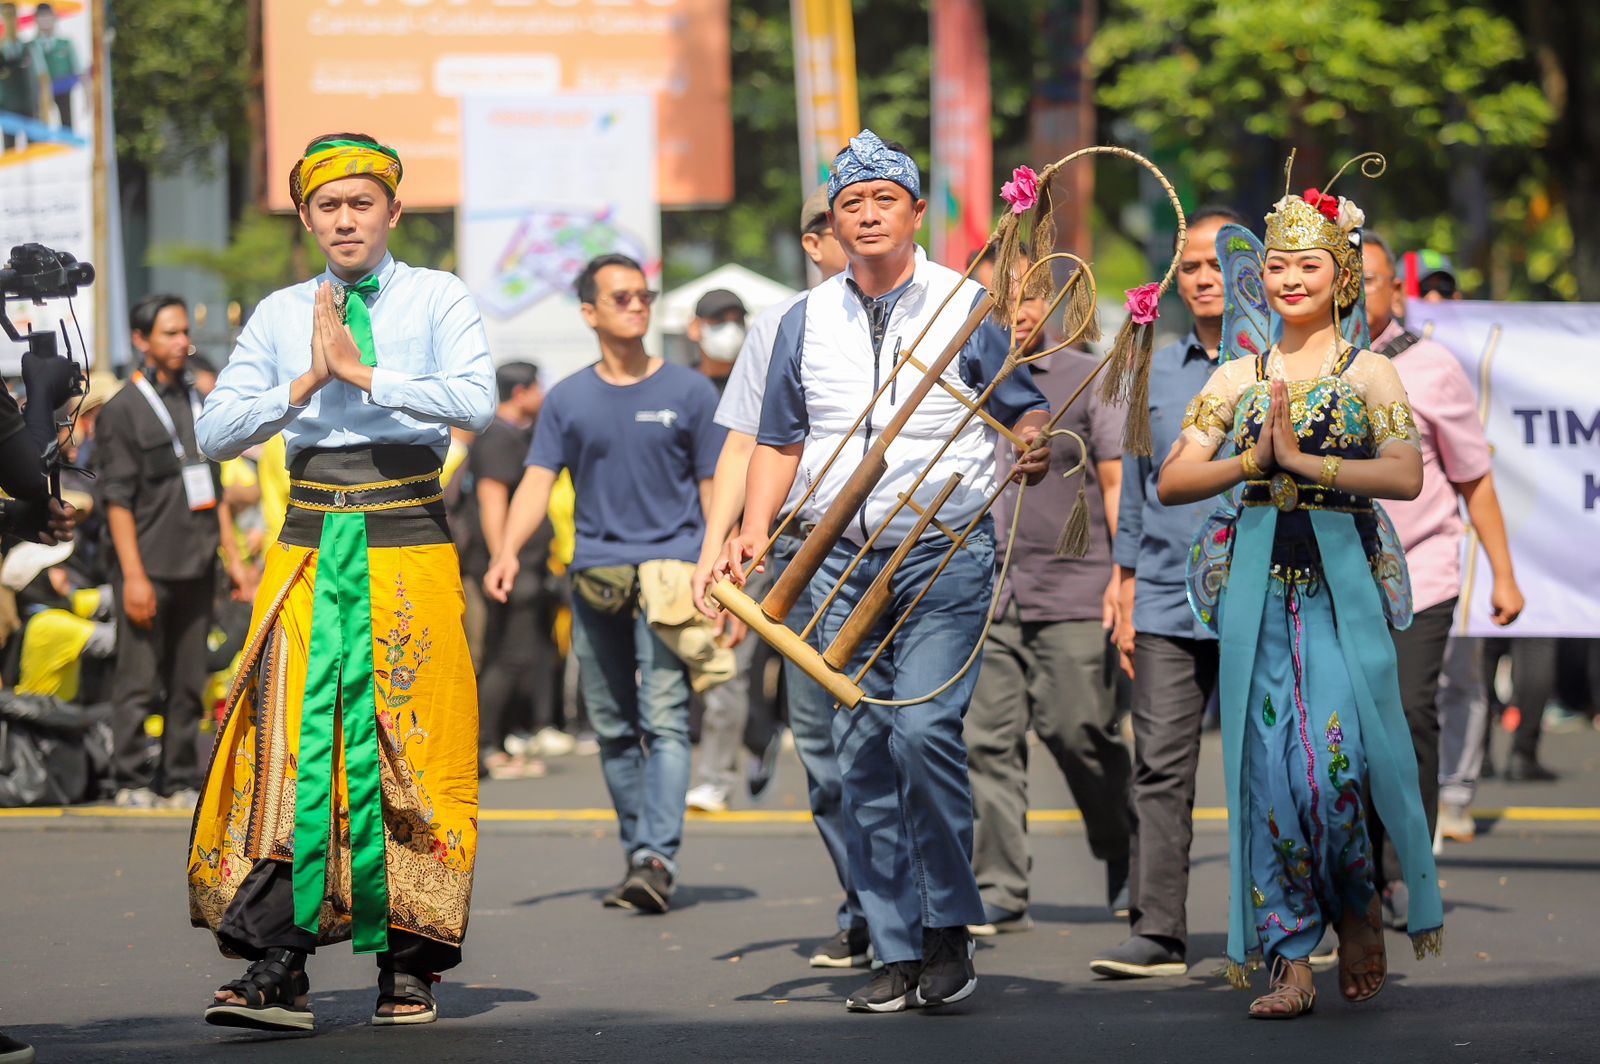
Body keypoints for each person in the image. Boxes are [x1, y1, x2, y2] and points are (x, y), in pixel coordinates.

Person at [713, 130, 1051, 1013]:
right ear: (833, 220)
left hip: (943, 547)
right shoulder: (802, 317)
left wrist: (1032, 442)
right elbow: (779, 438)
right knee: (858, 753)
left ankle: (948, 931)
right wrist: (756, 532)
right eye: (849, 204)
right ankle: (897, 947)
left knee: (925, 728)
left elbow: (1022, 407)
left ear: (913, 212)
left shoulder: (963, 304)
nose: (864, 215)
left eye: (882, 201)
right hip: (835, 556)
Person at [188, 132, 494, 1032]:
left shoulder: (439, 296)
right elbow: (213, 434)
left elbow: (475, 401)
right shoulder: (282, 311)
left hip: (408, 541)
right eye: (329, 206)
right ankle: (280, 960)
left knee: (411, 746)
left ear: (394, 212)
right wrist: (305, 382)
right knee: (293, 747)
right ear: (307, 218)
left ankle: (410, 965)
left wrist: (366, 374)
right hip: (310, 543)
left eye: (363, 203)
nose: (347, 219)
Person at [1157, 171, 1443, 1018]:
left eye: (1309, 267)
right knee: (1266, 776)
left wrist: (1306, 463)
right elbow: (1173, 479)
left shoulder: (1370, 374)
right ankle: (1289, 955)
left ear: (1340, 276)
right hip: (1255, 588)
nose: (1290, 280)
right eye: (1277, 266)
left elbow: (1405, 473)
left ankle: (1357, 909)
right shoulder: (1235, 375)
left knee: (1336, 769)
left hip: (1339, 587)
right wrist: (1250, 463)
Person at [486, 253, 724, 915]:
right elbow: (538, 479)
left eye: (643, 294)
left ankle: (657, 857)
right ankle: (637, 851)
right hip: (594, 576)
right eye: (620, 297)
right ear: (589, 312)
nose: (636, 304)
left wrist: (720, 569)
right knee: (616, 728)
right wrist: (506, 549)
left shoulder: (690, 392)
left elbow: (713, 490)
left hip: (673, 573)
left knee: (667, 720)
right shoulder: (567, 398)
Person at [690, 183, 871, 967]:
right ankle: (867, 907)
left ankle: (929, 910)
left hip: (904, 549)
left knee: (907, 739)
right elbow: (739, 447)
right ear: (815, 238)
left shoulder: (934, 304)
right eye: (845, 220)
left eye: (882, 211)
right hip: (802, 556)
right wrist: (718, 549)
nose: (864, 231)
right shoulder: (780, 326)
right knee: (827, 753)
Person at [1091, 205, 1243, 980]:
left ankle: (1288, 922)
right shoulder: (1151, 361)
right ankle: (1157, 930)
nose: (1205, 275)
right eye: (1190, 266)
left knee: (1270, 764)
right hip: (1164, 596)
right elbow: (1140, 489)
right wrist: (1124, 583)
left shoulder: (1284, 360)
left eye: (1220, 261)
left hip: (1263, 594)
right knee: (1158, 764)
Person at [964, 250, 1132, 935]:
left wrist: (1127, 581)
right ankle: (999, 884)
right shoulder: (959, 377)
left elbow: (1118, 484)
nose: (1016, 309)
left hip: (1072, 586)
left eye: (1029, 295)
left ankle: (1126, 843)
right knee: (984, 741)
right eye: (998, 298)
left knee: (1076, 729)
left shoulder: (1090, 376)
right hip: (982, 591)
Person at [1362, 231, 1523, 911]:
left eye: (1366, 279)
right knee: (1344, 729)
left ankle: (1403, 870)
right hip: (1326, 575)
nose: (1351, 290)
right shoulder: (1298, 364)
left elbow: (1473, 477)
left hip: (1417, 574)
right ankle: (1353, 875)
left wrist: (1505, 577)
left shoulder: (1430, 367)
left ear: (1396, 291)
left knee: (1406, 714)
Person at [94, 294, 235, 810]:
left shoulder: (198, 400)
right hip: (147, 566)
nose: (183, 343)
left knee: (188, 678)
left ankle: (178, 776)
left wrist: (233, 560)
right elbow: (117, 502)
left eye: (184, 333)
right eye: (170, 334)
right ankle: (129, 776)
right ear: (140, 341)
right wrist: (132, 575)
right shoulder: (123, 412)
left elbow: (213, 491)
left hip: (197, 563)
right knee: (137, 678)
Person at [682, 286, 775, 812]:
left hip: (752, 541)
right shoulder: (682, 386)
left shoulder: (765, 379)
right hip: (692, 545)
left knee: (738, 662)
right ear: (695, 328)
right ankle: (738, 752)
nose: (728, 327)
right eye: (717, 319)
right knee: (714, 665)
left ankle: (728, 765)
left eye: (736, 318)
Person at [466, 361, 556, 780]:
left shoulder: (513, 434)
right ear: (521, 392)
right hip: (505, 568)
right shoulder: (497, 438)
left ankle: (496, 744)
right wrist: (506, 557)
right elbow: (491, 500)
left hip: (520, 564)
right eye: (539, 386)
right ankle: (485, 749)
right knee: (506, 656)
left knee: (513, 655)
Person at [29, 4, 76, 131]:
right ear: (36, 20)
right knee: (41, 122)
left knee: (66, 121)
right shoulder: (32, 46)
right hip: (39, 90)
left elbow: (76, 67)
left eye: (48, 16)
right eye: (42, 16)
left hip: (62, 87)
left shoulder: (64, 43)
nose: (45, 20)